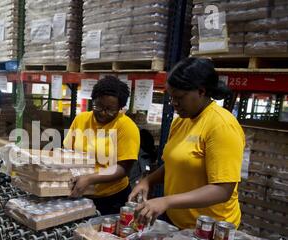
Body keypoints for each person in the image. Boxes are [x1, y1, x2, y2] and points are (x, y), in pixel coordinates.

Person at [129, 57, 245, 230]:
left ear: (201, 91)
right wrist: (147, 181)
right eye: (171, 97)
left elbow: (223, 190)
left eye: (179, 97)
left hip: (209, 231)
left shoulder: (221, 126)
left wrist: (166, 201)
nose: (174, 103)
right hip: (179, 224)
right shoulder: (181, 121)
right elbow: (174, 165)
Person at [63, 76, 140, 215]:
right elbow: (68, 151)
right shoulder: (81, 119)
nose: (103, 113)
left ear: (120, 108)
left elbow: (123, 168)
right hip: (80, 193)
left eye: (110, 110)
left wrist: (90, 178)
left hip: (111, 199)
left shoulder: (126, 127)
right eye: (98, 106)